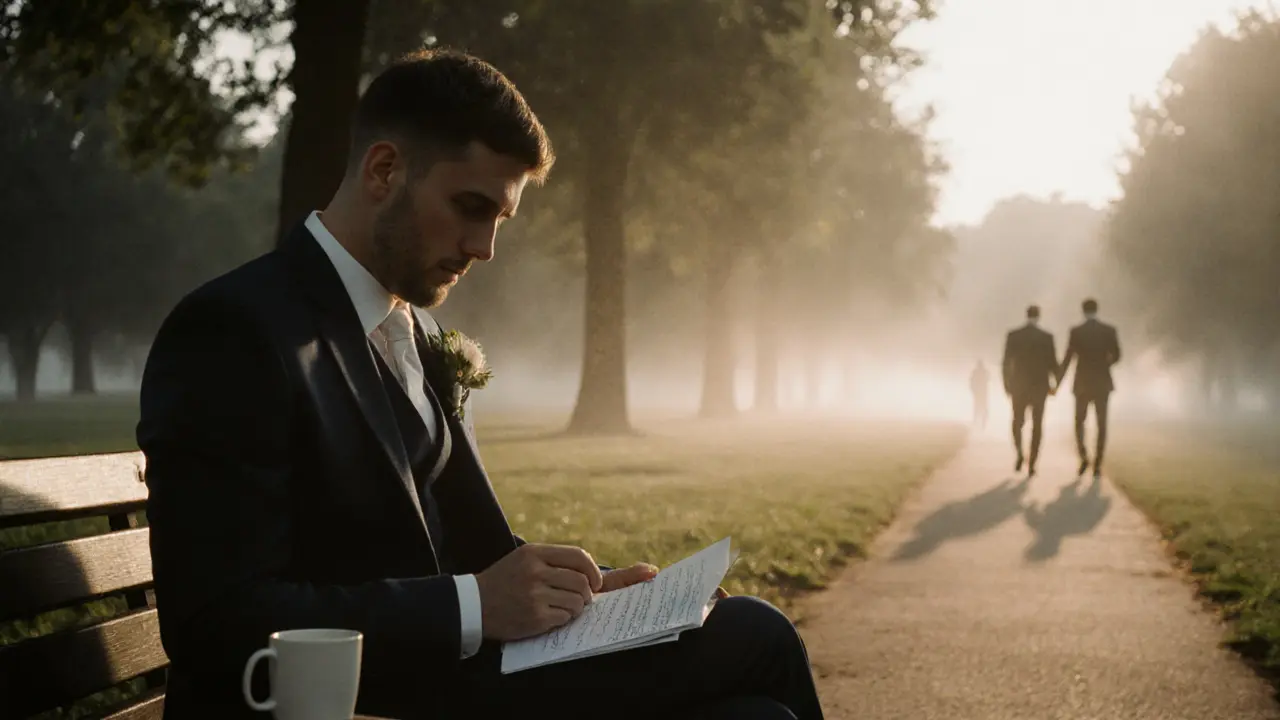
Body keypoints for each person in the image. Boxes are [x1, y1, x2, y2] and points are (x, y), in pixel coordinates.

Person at [136, 49, 823, 720]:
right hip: (358, 699)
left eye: (500, 219)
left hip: (460, 679)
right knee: (758, 635)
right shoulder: (234, 329)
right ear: (384, 169)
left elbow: (473, 547)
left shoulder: (421, 333)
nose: (484, 247)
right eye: (471, 207)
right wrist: (472, 607)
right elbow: (217, 619)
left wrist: (590, 594)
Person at [1058, 297, 1121, 479]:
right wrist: (1105, 364)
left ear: (1083, 311)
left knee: (1079, 422)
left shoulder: (1076, 332)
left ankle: (1083, 455)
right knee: (1102, 424)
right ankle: (1098, 464)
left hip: (1082, 383)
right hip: (1102, 382)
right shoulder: (1108, 330)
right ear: (1097, 310)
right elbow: (1117, 355)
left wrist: (1057, 383)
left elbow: (1068, 359)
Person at [1001, 305, 1059, 476]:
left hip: (1018, 385)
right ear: (1039, 316)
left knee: (1017, 421)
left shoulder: (1013, 335)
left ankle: (1019, 452)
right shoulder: (1047, 337)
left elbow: (1006, 363)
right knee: (1037, 425)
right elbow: (1053, 363)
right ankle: (1032, 462)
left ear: (1026, 315)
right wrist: (1056, 384)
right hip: (1040, 386)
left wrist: (1006, 384)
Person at [969, 359, 990, 429]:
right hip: (981, 392)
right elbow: (988, 380)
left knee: (978, 407)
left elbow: (971, 382)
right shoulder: (984, 372)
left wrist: (973, 390)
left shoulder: (976, 372)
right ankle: (981, 422)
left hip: (979, 392)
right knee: (981, 407)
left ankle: (978, 422)